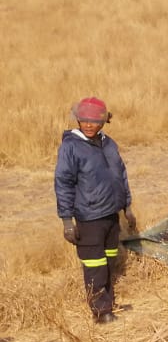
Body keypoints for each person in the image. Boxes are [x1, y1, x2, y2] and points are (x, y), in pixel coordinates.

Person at [54, 97, 137, 324]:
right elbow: (63, 183)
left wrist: (127, 207)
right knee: (95, 265)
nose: (89, 125)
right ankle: (100, 312)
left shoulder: (109, 144)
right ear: (78, 120)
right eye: (84, 120)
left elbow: (121, 176)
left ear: (103, 122)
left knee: (109, 261)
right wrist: (67, 221)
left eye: (94, 121)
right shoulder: (71, 147)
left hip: (111, 214)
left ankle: (108, 302)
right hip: (89, 217)